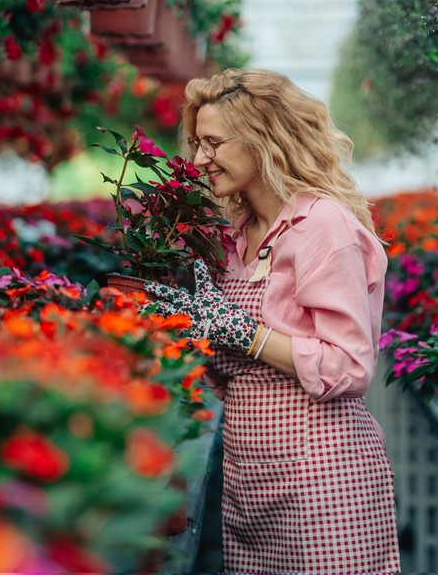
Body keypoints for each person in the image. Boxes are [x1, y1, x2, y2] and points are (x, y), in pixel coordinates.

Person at [146, 68, 400, 575]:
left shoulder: (322, 226)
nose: (199, 159)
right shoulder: (238, 236)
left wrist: (244, 331)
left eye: (214, 143)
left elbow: (350, 367)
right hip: (249, 482)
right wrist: (183, 329)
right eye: (197, 143)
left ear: (263, 140)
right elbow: (230, 372)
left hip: (321, 481)